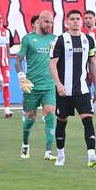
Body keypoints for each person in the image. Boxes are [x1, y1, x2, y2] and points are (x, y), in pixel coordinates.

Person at [48, 9, 96, 168]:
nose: (75, 21)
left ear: (81, 21)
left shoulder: (88, 40)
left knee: (88, 121)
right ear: (67, 22)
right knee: (61, 122)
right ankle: (60, 155)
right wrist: (58, 84)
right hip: (64, 91)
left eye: (78, 19)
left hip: (82, 90)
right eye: (72, 19)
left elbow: (92, 64)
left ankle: (91, 156)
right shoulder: (59, 40)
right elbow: (52, 65)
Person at [16, 11, 57, 161]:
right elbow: (18, 60)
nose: (49, 25)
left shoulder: (55, 40)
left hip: (49, 85)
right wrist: (21, 77)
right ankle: (25, 143)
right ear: (39, 21)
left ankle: (48, 151)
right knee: (30, 117)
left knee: (50, 114)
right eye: (46, 22)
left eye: (51, 22)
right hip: (31, 86)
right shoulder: (28, 39)